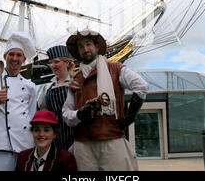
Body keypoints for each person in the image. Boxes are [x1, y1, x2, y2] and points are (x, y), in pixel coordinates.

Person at [62, 30, 148, 171]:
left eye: (88, 44)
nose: (85, 49)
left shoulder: (116, 69)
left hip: (112, 138)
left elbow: (141, 86)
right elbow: (66, 113)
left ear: (97, 47)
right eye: (81, 47)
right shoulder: (76, 79)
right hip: (83, 143)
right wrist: (79, 114)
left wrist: (128, 119)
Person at [0, 31, 38, 171]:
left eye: (19, 55)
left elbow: (31, 117)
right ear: (4, 57)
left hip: (24, 145)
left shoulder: (30, 86)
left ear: (24, 59)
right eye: (11, 54)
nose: (15, 58)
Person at [37, 45, 74, 150]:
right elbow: (42, 111)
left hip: (74, 137)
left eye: (56, 62)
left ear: (66, 62)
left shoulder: (76, 83)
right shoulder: (47, 87)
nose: (53, 65)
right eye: (51, 62)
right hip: (54, 138)